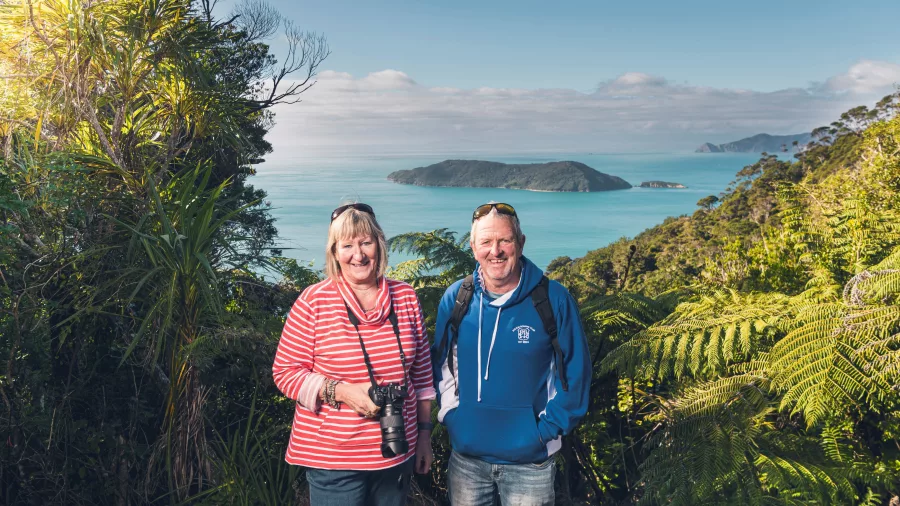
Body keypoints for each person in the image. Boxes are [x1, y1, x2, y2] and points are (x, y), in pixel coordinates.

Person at [273, 203, 436, 506]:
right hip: (333, 459)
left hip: (396, 451)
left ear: (379, 244)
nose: (358, 255)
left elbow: (423, 377)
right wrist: (342, 391)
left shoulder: (405, 297)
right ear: (334, 252)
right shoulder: (314, 301)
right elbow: (285, 373)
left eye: (365, 242)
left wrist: (424, 437)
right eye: (347, 245)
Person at [432, 202, 591, 506]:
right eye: (486, 242)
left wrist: (543, 431)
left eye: (505, 240)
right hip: (467, 461)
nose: (496, 251)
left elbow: (575, 373)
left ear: (521, 243)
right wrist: (451, 416)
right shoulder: (456, 299)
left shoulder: (553, 300)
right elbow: (442, 365)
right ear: (473, 247)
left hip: (530, 465)